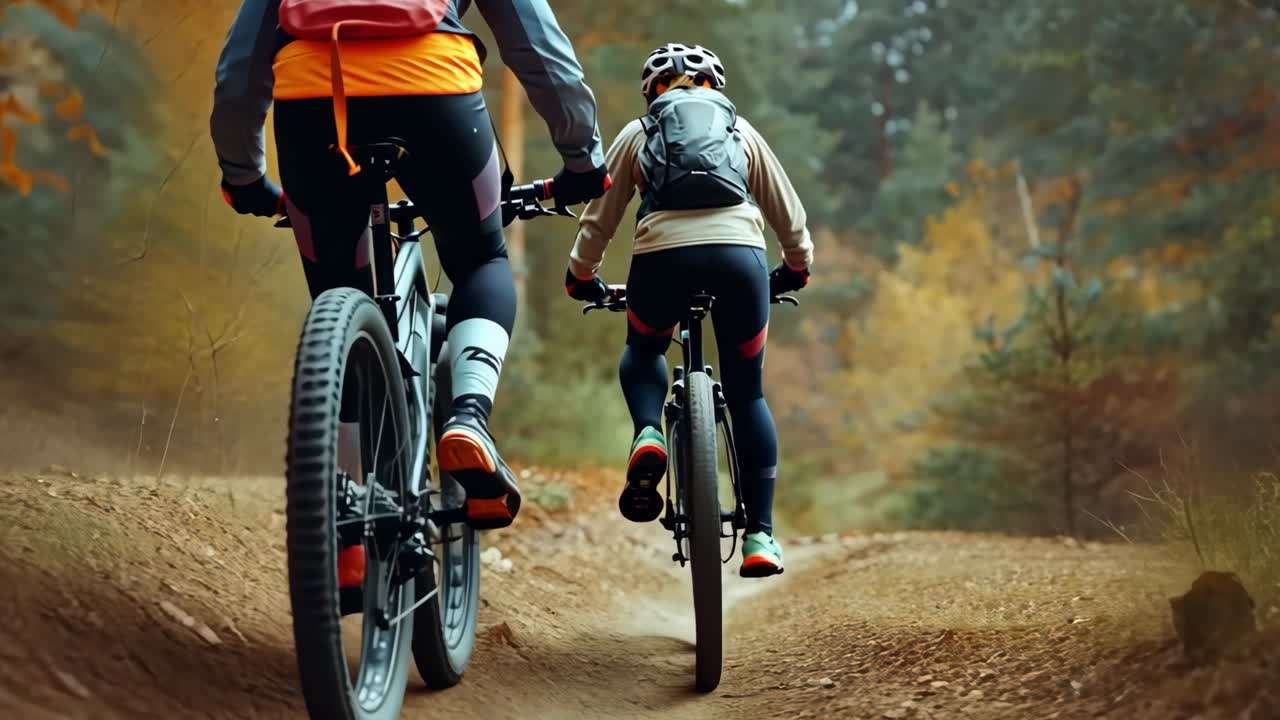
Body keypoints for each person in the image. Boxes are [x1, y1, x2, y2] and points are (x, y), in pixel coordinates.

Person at [211, 0, 610, 530]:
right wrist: (582, 159)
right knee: (480, 258)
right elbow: (535, 44)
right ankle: (469, 418)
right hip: (435, 90)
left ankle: (344, 509)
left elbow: (240, 69)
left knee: (336, 287)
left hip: (315, 104)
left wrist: (242, 176)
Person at [565, 43, 813, 577]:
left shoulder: (639, 132)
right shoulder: (740, 132)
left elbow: (600, 219)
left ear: (653, 89)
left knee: (644, 345)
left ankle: (649, 432)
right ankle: (761, 537)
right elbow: (788, 214)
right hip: (739, 260)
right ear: (713, 86)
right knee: (747, 392)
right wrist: (796, 267)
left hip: (660, 261)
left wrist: (581, 276)